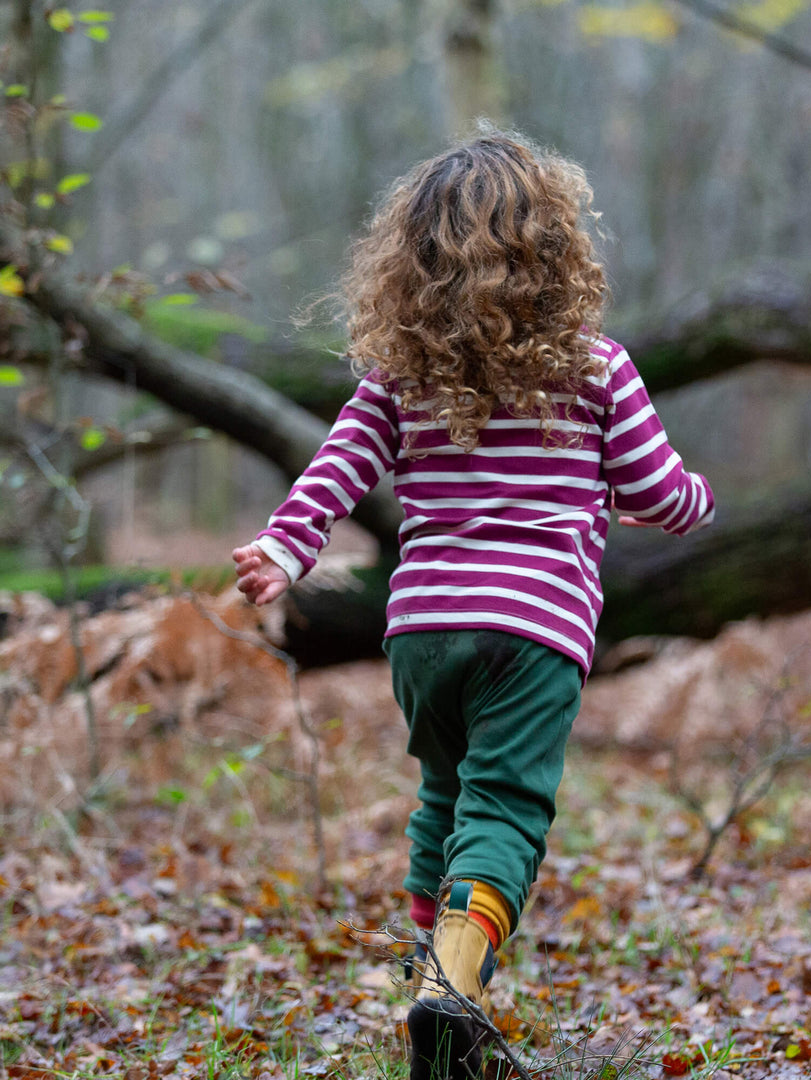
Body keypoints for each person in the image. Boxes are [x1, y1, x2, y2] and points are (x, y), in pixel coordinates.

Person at [232, 129, 714, 1080]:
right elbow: (663, 497)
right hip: (533, 630)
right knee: (504, 809)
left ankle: (433, 990)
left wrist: (285, 549)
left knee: (444, 800)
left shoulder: (399, 378)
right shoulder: (596, 367)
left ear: (409, 262)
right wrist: (696, 496)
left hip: (420, 630)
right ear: (555, 250)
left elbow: (334, 472)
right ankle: (449, 997)